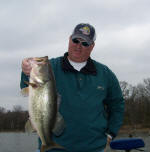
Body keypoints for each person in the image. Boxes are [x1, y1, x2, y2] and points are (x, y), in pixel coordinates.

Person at [20, 23, 124, 152]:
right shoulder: (49, 67)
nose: (78, 46)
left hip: (94, 148)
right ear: (69, 40)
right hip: (54, 149)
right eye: (75, 40)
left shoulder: (105, 73)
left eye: (85, 43)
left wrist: (111, 133)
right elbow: (28, 86)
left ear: (92, 46)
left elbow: (117, 105)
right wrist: (26, 71)